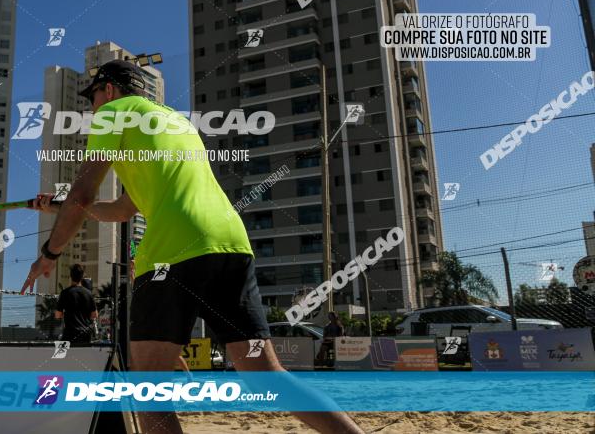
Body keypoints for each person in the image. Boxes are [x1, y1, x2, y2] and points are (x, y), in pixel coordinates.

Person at [23, 60, 363, 434]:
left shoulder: (113, 113)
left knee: (149, 390)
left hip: (173, 251)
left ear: (109, 89)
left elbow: (84, 194)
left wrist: (49, 253)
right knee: (267, 376)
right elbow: (121, 209)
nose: (92, 108)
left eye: (93, 98)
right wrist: (59, 204)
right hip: (230, 243)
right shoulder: (175, 121)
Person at [54, 263, 98, 343]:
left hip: (69, 334)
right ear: (82, 277)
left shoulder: (65, 293)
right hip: (85, 334)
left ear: (70, 276)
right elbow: (95, 315)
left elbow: (57, 315)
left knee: (59, 355)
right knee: (83, 355)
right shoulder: (88, 293)